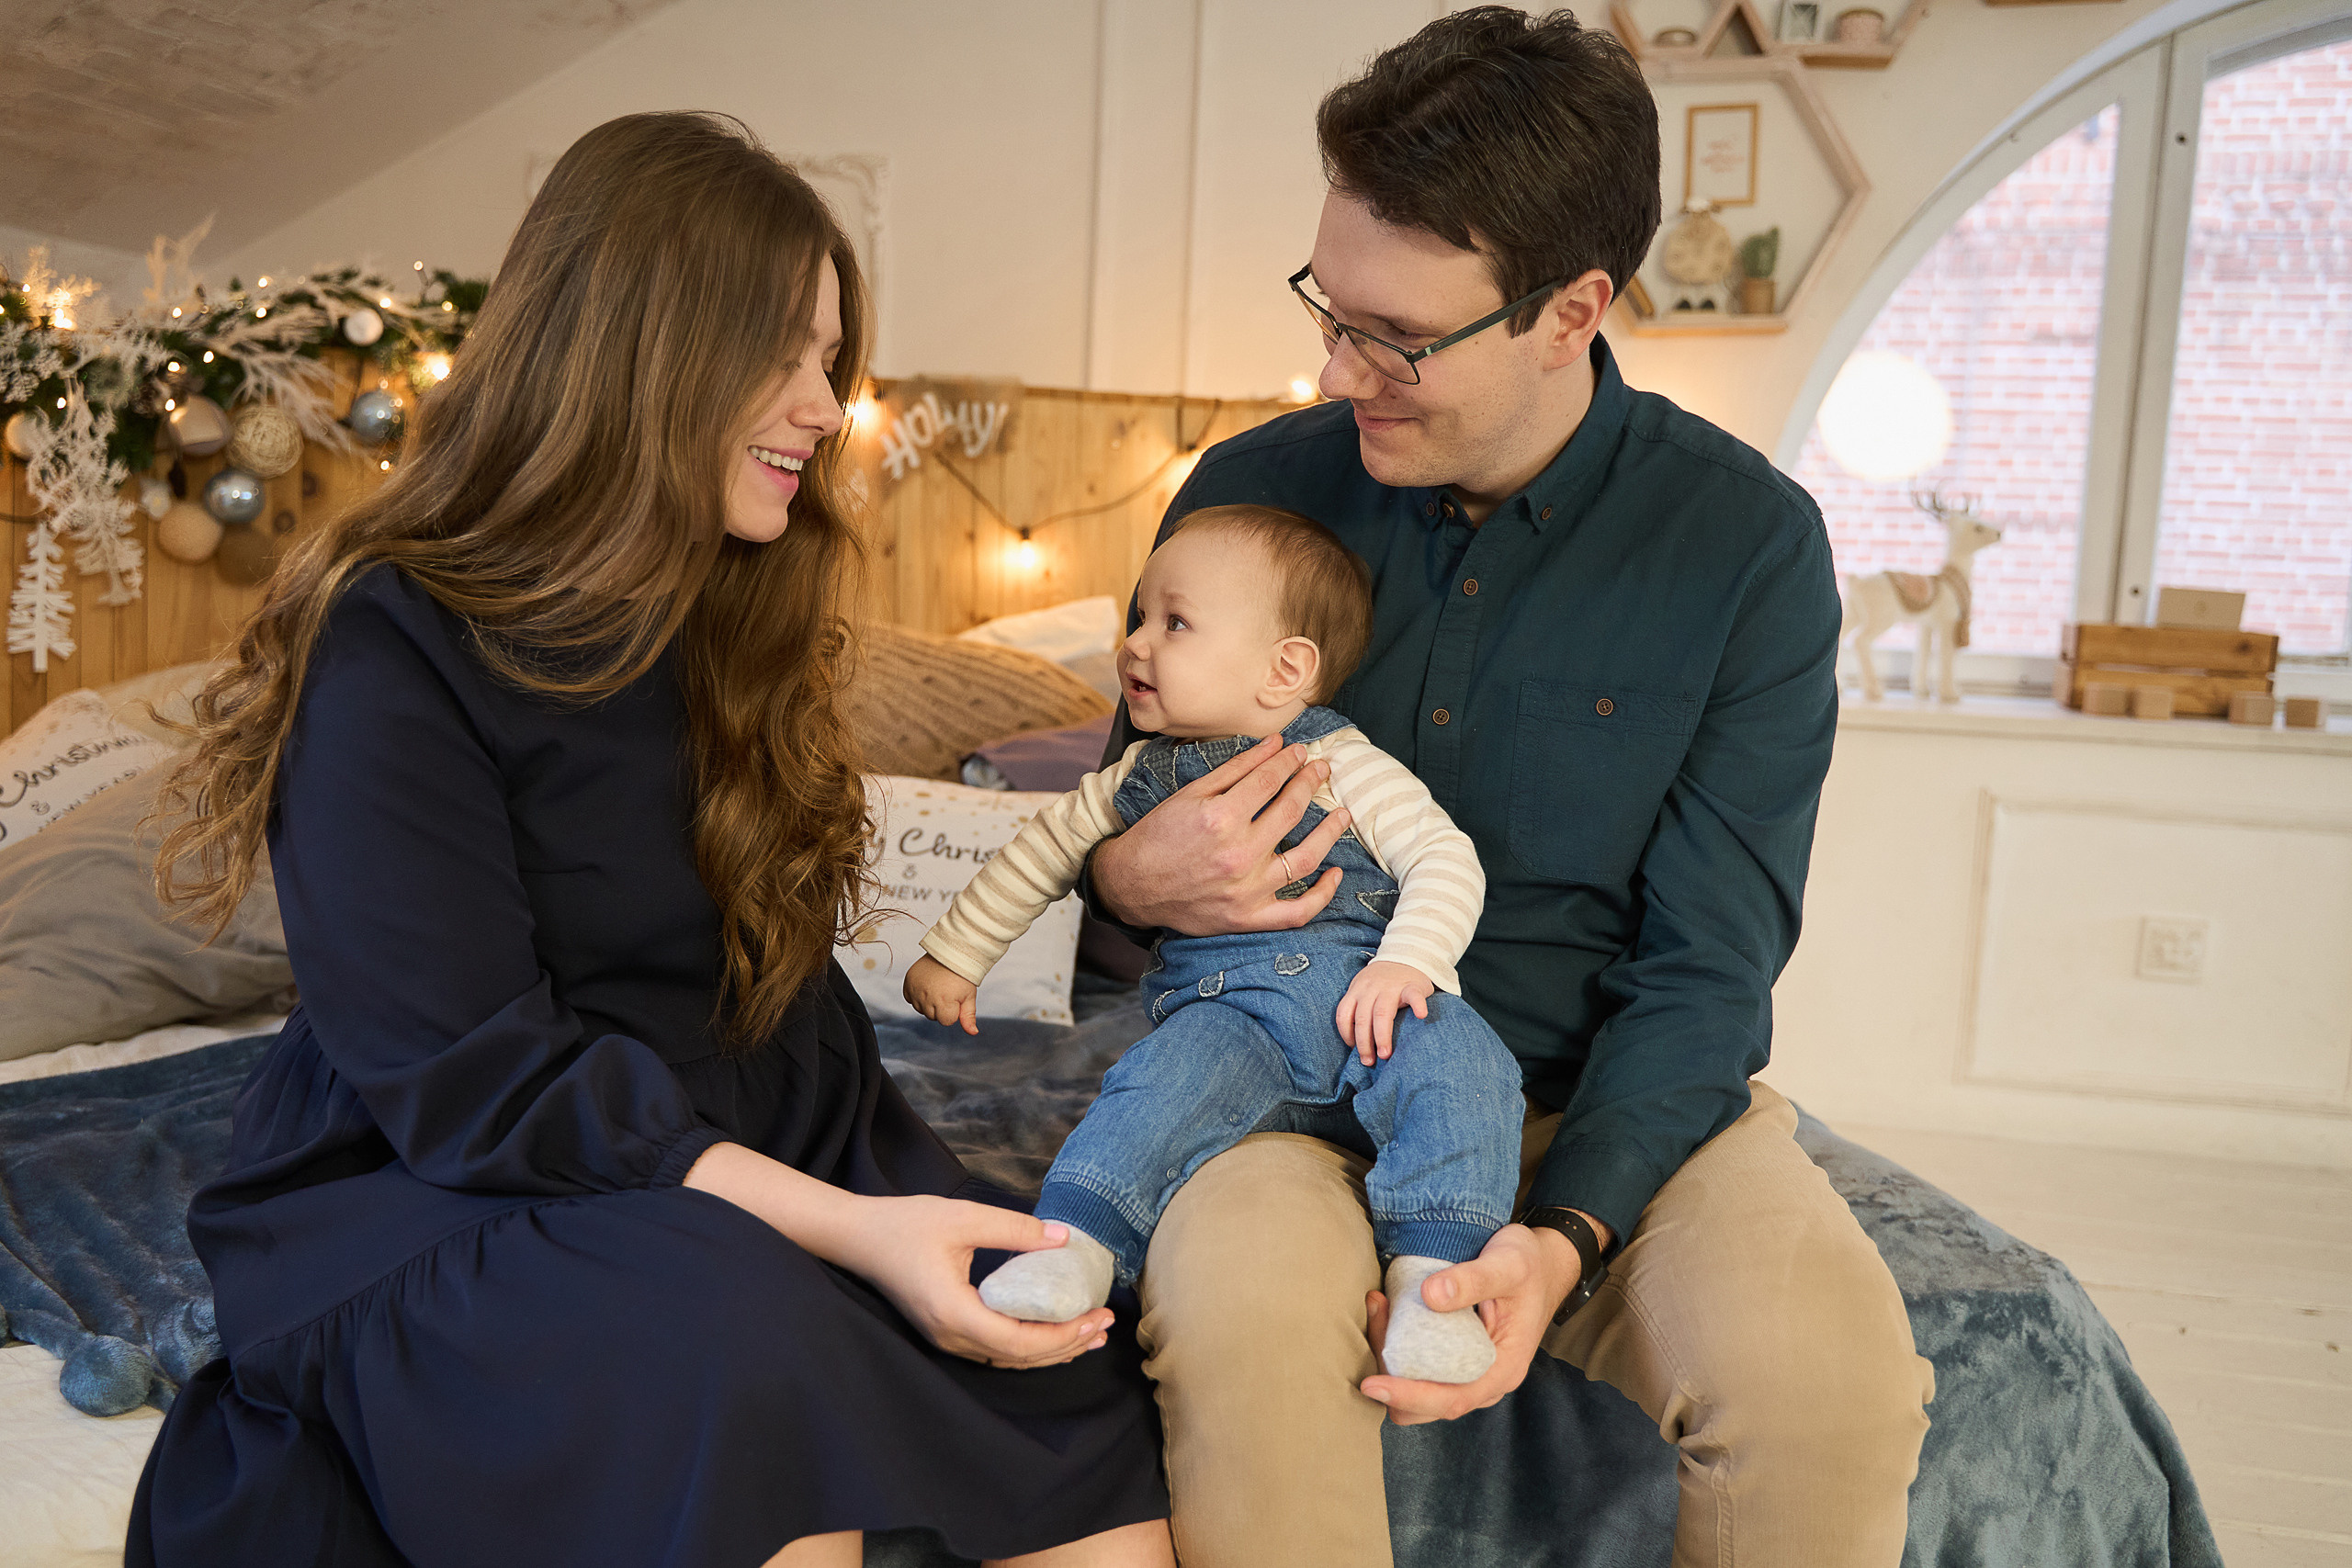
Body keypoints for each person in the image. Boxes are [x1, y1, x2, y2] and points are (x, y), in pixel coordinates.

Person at [127, 112, 1172, 1568]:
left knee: (1078, 1352)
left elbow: (785, 1022)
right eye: (785, 357)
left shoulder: (732, 623)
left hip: (718, 1166)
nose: (825, 408)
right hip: (437, 1184)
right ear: (643, 353)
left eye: (831, 362)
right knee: (736, 1342)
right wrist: (845, 1234)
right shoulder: (394, 635)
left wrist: (913, 1211)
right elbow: (476, 1077)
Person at [1083, 10, 1937, 1568]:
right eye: (1328, 310)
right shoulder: (1252, 491)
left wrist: (1561, 1238)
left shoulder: (1745, 548)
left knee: (1828, 1391)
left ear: (1572, 310)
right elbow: (1111, 824)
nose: (1336, 371)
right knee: (1242, 1322)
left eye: (1394, 338)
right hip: (1288, 1079)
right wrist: (1131, 880)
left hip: (1611, 1098)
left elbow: (1710, 965)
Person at [904, 504, 1521, 1385]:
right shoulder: (1133, 779)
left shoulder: (1344, 764)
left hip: (1373, 1012)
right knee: (1152, 1088)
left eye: (1175, 623)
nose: (1135, 644)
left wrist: (1407, 963)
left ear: (1285, 669)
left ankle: (1434, 1281)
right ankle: (1072, 1246)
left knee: (1469, 1065)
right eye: (1138, 617)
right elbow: (1037, 853)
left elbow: (1444, 857)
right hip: (1230, 1020)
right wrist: (956, 954)